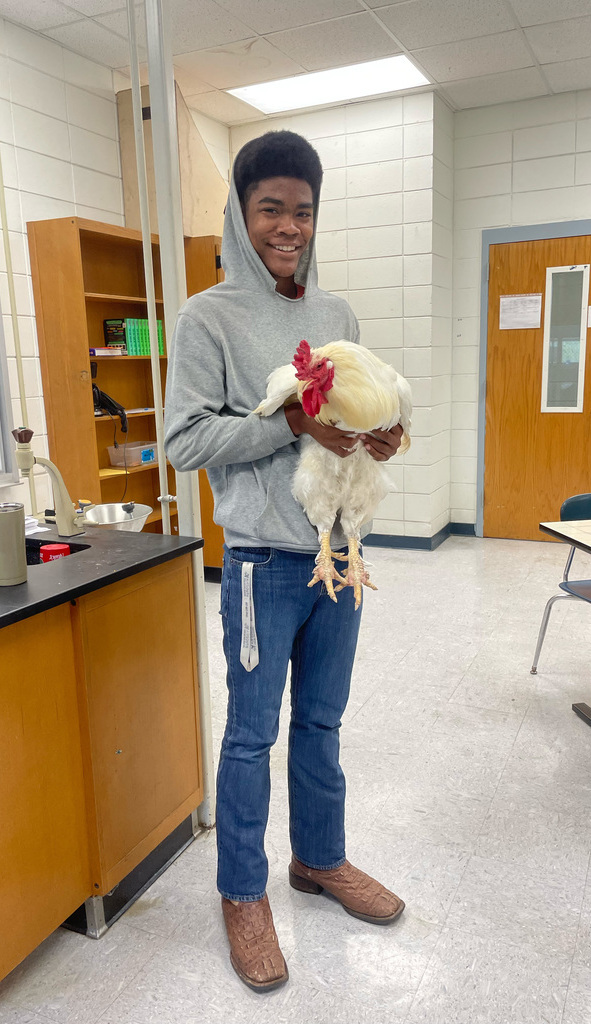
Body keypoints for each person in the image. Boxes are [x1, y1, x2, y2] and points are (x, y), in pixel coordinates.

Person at [164, 130, 405, 992]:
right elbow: (183, 442)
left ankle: (319, 860)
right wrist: (288, 424)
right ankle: (240, 892)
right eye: (272, 208)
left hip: (340, 556)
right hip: (264, 562)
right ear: (241, 212)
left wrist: (381, 437)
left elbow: (352, 408)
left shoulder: (334, 314)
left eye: (302, 211)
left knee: (322, 725)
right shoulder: (209, 317)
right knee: (252, 734)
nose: (289, 227)